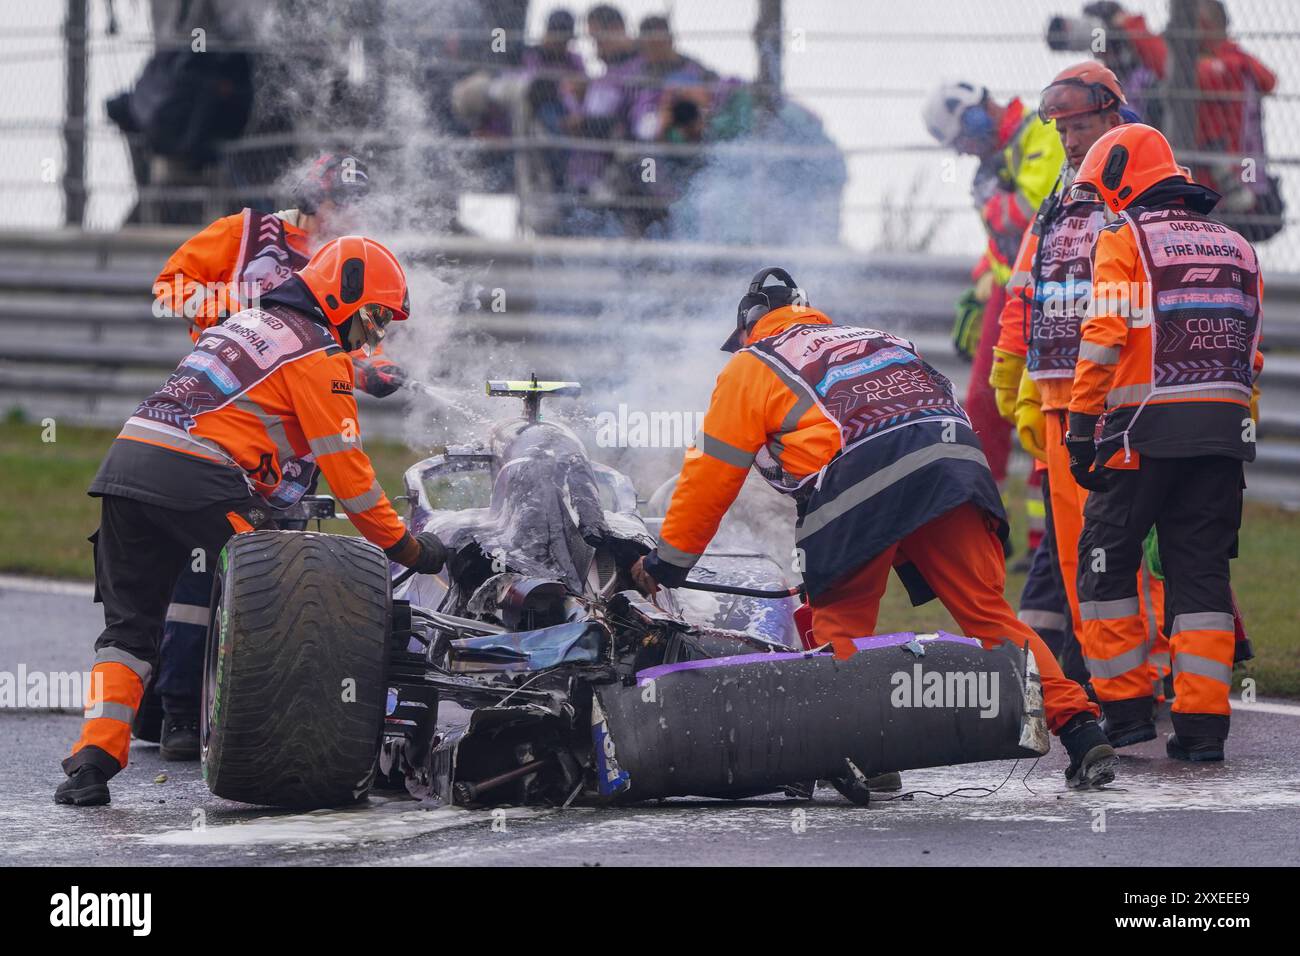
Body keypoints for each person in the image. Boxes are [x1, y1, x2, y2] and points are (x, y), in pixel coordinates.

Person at [630, 268, 1116, 790]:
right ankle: (1083, 730)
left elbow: (711, 474)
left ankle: (861, 754)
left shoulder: (753, 364)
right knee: (989, 613)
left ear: (750, 327)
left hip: (860, 478)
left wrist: (668, 563)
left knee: (839, 628)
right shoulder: (879, 339)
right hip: (953, 464)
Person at [55, 236, 448, 807]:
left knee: (128, 633)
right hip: (199, 476)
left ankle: (91, 764)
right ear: (345, 296)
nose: (375, 336)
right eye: (375, 318)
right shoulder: (320, 355)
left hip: (125, 466)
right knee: (289, 595)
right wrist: (413, 550)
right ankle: (285, 741)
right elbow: (353, 481)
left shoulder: (248, 323)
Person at [144, 154, 406, 760]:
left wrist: (366, 371)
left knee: (271, 574)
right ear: (314, 199)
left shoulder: (350, 262)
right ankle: (178, 707)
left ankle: (248, 701)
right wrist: (250, 310)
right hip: (224, 416)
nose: (350, 215)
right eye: (342, 202)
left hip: (288, 439)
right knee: (201, 563)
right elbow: (169, 292)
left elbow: (330, 351)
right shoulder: (246, 234)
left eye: (360, 206)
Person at [1066, 124, 1262, 762]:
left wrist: (1080, 422)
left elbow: (1104, 334)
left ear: (1124, 178)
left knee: (1105, 560)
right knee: (1200, 572)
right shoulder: (1238, 246)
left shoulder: (1125, 238)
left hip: (1140, 433)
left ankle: (1123, 714)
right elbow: (1250, 354)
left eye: (1103, 194)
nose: (1102, 208)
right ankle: (1203, 729)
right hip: (1222, 435)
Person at [992, 63, 1171, 718]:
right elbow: (1023, 287)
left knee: (1137, 542)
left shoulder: (1136, 193)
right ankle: (1105, 679)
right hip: (1056, 394)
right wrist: (1009, 369)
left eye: (1080, 125)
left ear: (1112, 117)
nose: (1069, 139)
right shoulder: (1055, 202)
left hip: (1124, 395)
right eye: (1062, 128)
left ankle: (1154, 671)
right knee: (1076, 552)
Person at [922, 81, 1064, 493]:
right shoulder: (995, 160)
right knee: (984, 402)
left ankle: (1047, 541)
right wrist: (986, 267)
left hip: (1053, 290)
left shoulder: (1044, 129)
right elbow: (1001, 236)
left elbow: (1032, 210)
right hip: (1008, 291)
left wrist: (991, 205)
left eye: (962, 140)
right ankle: (985, 511)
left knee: (1043, 403)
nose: (965, 152)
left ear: (976, 115)